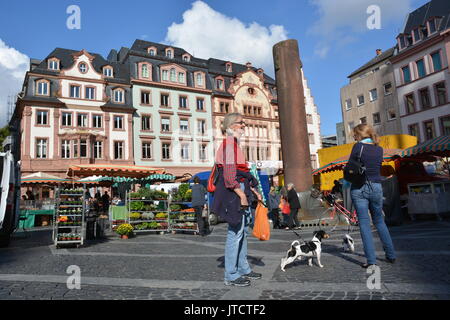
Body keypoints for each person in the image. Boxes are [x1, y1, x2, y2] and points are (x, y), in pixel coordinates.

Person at [212, 112, 262, 287]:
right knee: (235, 233)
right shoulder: (229, 145)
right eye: (241, 123)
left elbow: (238, 173)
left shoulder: (233, 144)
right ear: (232, 125)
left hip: (240, 190)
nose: (244, 126)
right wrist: (241, 195)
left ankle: (243, 269)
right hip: (234, 193)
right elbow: (229, 176)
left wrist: (253, 191)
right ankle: (231, 274)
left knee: (242, 233)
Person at [349, 124, 396, 268]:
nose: (354, 137)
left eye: (355, 135)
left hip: (360, 187)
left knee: (364, 223)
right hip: (376, 186)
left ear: (359, 135)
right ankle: (391, 255)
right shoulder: (379, 149)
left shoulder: (358, 147)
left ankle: (371, 261)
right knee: (380, 221)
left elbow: (351, 166)